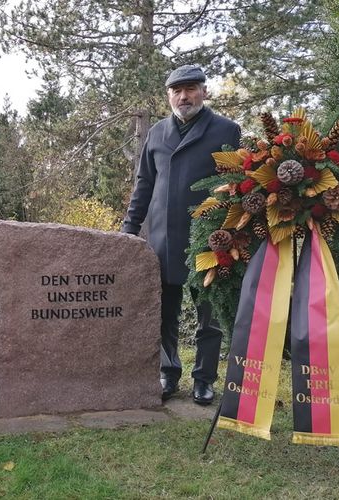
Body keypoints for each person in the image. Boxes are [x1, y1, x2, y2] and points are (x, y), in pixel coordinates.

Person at [121, 65, 240, 405]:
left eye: (190, 89)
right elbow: (144, 184)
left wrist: (231, 234)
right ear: (169, 95)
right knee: (164, 313)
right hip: (161, 240)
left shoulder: (226, 130)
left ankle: (204, 379)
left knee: (209, 316)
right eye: (177, 90)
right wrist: (129, 230)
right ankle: (167, 373)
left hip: (208, 240)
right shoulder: (156, 133)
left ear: (204, 91)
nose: (184, 96)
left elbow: (235, 187)